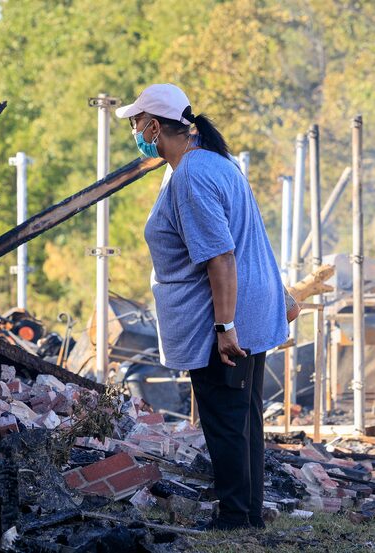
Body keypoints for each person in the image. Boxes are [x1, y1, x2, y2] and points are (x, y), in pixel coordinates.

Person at [115, 84, 288, 530]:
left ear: (154, 126)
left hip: (224, 316)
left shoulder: (191, 174)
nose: (134, 130)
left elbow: (220, 256)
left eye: (136, 123)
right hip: (246, 306)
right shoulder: (212, 163)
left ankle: (235, 518)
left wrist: (225, 326)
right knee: (243, 413)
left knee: (227, 416)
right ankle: (247, 513)